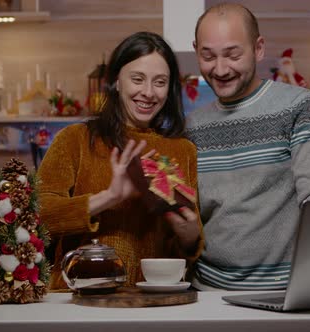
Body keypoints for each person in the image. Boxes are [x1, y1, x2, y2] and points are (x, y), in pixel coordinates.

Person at [186, 3, 310, 290]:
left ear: (258, 48)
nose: (219, 69)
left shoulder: (300, 107)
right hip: (207, 293)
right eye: (208, 56)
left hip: (284, 292)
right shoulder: (192, 127)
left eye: (233, 54)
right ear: (197, 51)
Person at [38, 31, 204, 290]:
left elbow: (189, 247)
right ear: (117, 81)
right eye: (137, 79)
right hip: (79, 300)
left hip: (157, 303)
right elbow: (38, 216)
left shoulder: (182, 150)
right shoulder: (75, 140)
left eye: (160, 82)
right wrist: (109, 197)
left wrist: (190, 234)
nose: (148, 93)